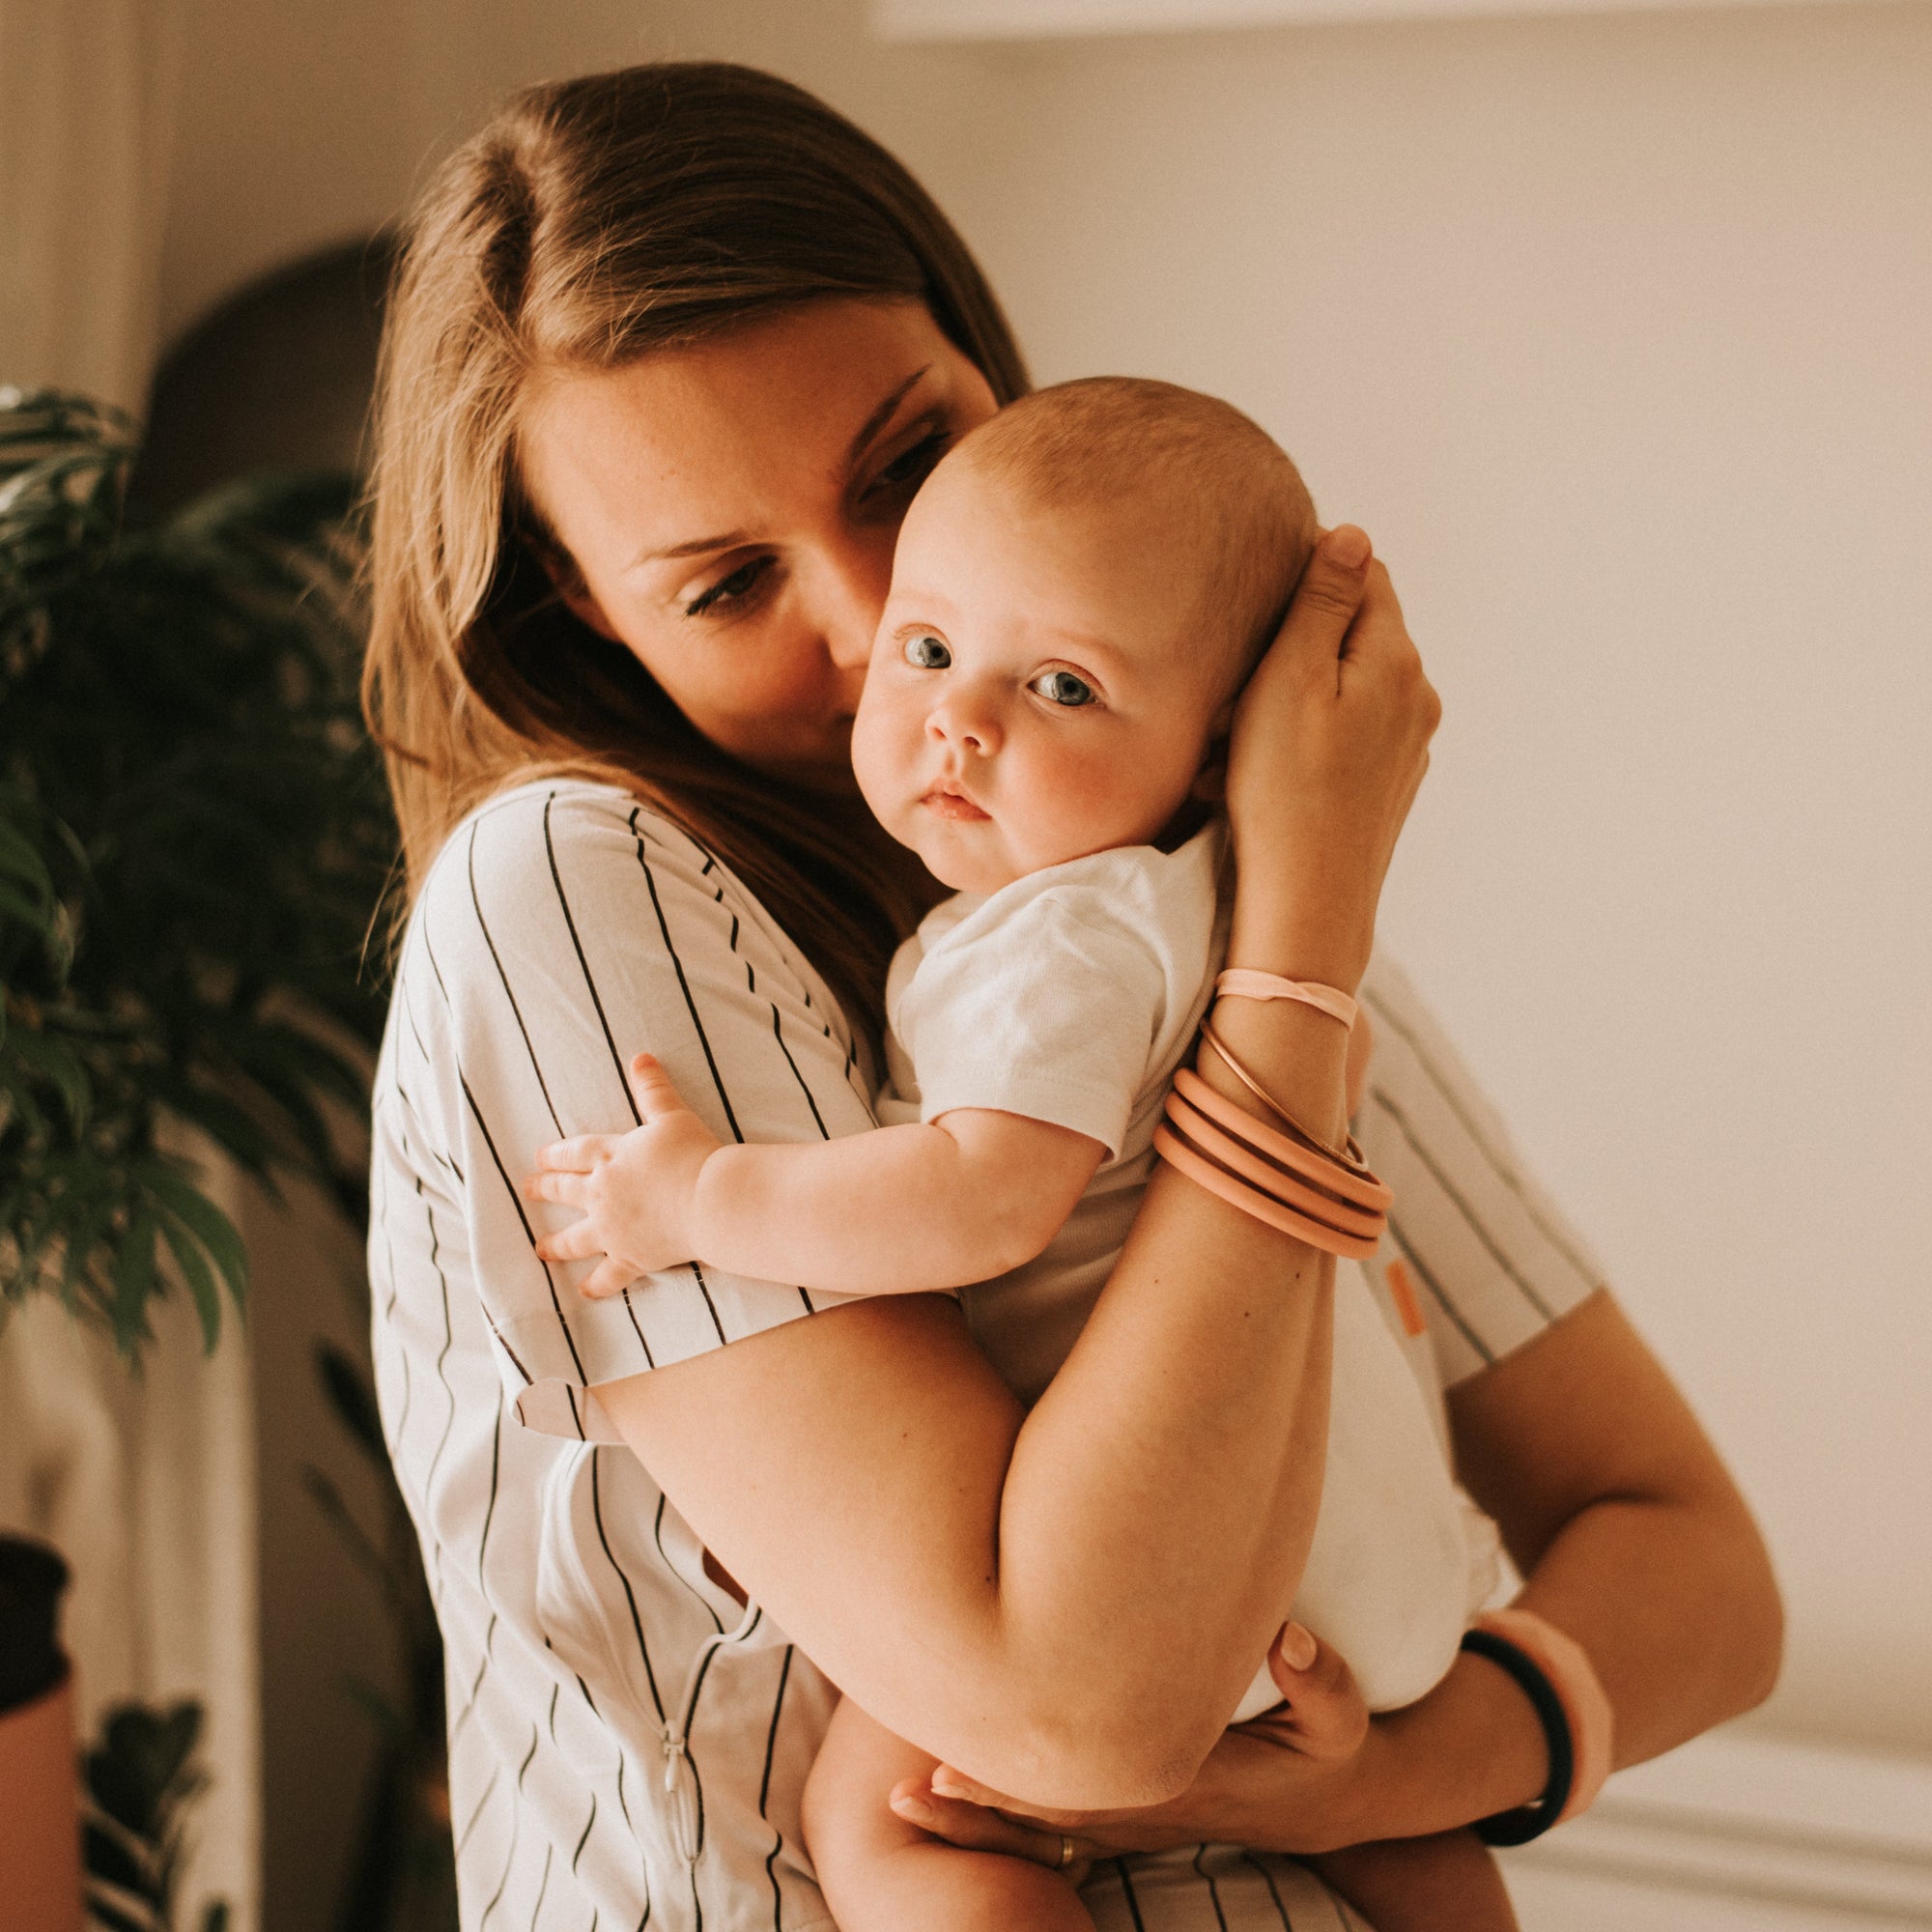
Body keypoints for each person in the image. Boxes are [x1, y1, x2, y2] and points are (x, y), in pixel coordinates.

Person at [362, 61, 1782, 1931]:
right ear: (581, 612)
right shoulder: (573, 888)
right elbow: (1078, 1703)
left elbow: (1694, 1564)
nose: (879, 625)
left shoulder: (1209, 914)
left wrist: (1392, 1777)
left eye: (902, 469)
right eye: (726, 584)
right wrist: (1296, 947)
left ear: (986, 370)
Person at [523, 375, 1518, 1931]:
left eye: (1061, 687)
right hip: (1360, 1555)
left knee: (891, 1825)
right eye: (929, 650)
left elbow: (981, 1201)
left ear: (1219, 749)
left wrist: (705, 1197)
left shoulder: (1060, 940)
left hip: (1195, 1559)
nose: (959, 718)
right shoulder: (1218, 906)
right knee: (1413, 1854)